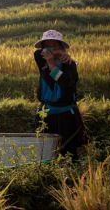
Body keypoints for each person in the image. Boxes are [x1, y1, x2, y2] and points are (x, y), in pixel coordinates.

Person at [34, 30, 86, 160]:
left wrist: (52, 64)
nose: (50, 49)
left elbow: (65, 83)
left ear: (60, 46)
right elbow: (37, 53)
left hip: (65, 115)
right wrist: (55, 55)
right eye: (47, 45)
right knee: (46, 150)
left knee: (68, 150)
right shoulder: (42, 60)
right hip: (46, 112)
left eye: (54, 45)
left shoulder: (70, 65)